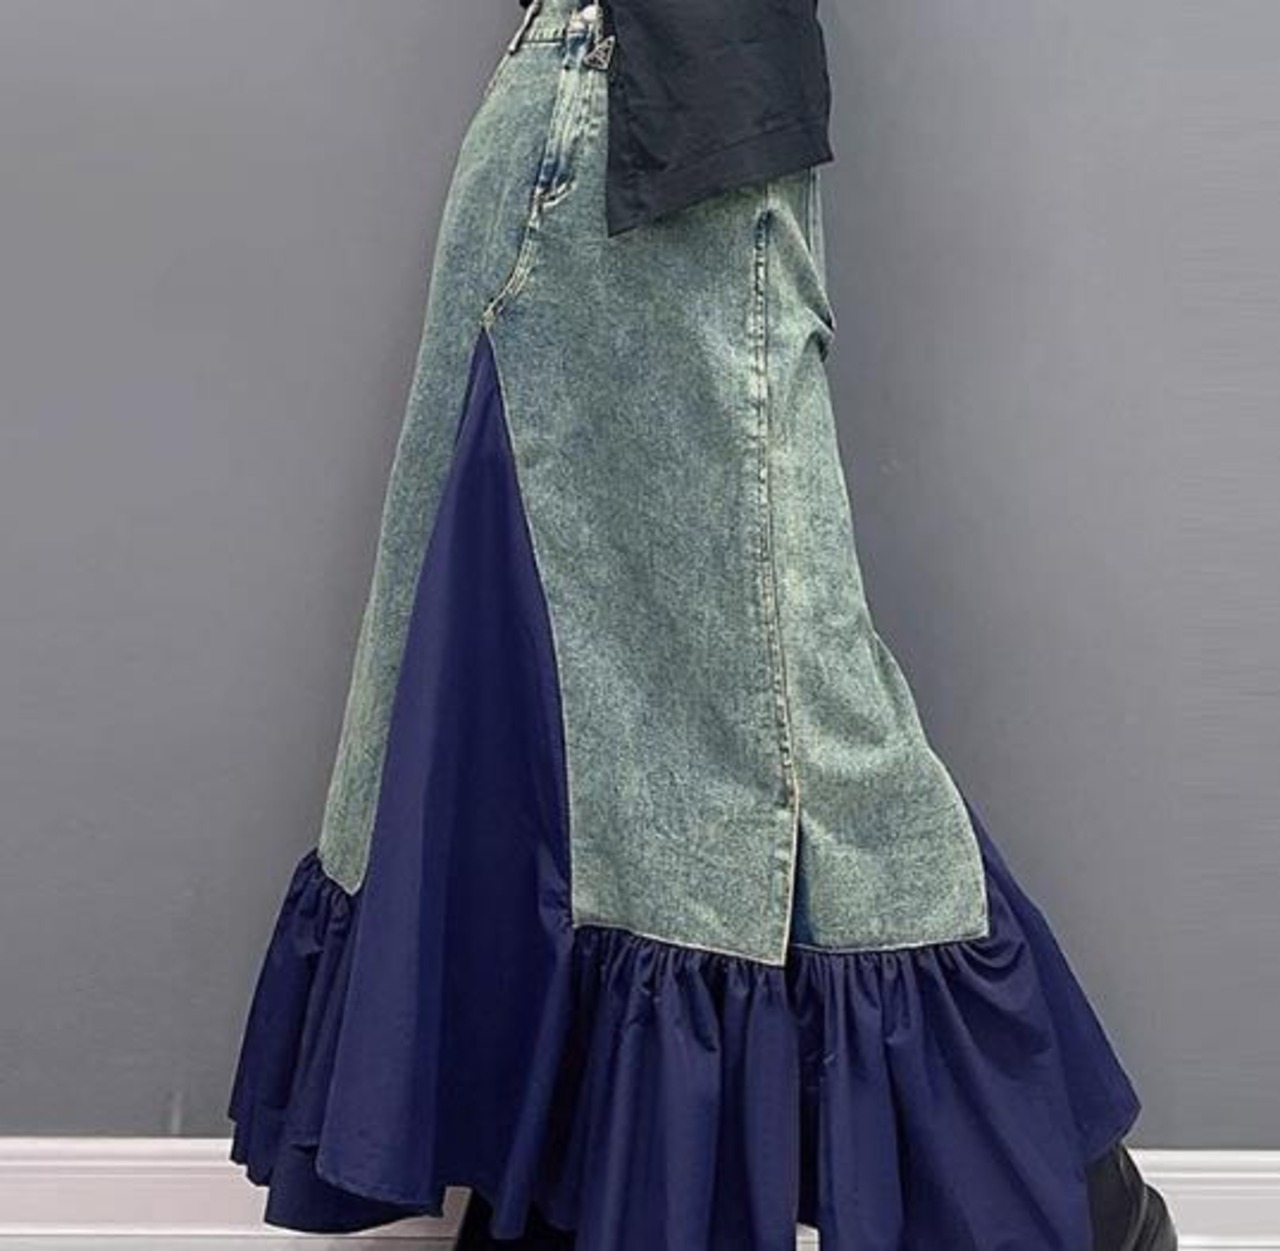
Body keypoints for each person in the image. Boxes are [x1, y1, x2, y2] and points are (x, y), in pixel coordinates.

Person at [226, 2, 1177, 1247]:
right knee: (560, 698)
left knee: (775, 706)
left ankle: (1081, 1199)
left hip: (662, 149)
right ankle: (576, 1194)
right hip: (571, 118)